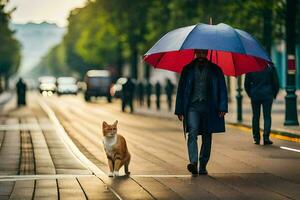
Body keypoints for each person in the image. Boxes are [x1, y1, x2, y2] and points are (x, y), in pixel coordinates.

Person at [175, 49, 228, 176]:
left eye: (203, 53)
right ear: (195, 53)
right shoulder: (187, 69)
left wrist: (222, 107)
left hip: (210, 107)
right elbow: (181, 90)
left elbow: (222, 89)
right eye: (198, 53)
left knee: (207, 135)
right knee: (192, 132)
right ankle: (193, 163)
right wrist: (179, 109)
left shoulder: (216, 70)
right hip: (192, 107)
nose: (201, 55)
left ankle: (203, 165)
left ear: (207, 53)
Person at [244, 64, 279, 145]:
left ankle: (256, 138)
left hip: (255, 95)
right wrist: (274, 94)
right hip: (267, 95)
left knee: (255, 116)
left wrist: (250, 94)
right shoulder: (271, 67)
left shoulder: (251, 68)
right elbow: (275, 82)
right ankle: (266, 137)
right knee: (267, 116)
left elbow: (246, 84)